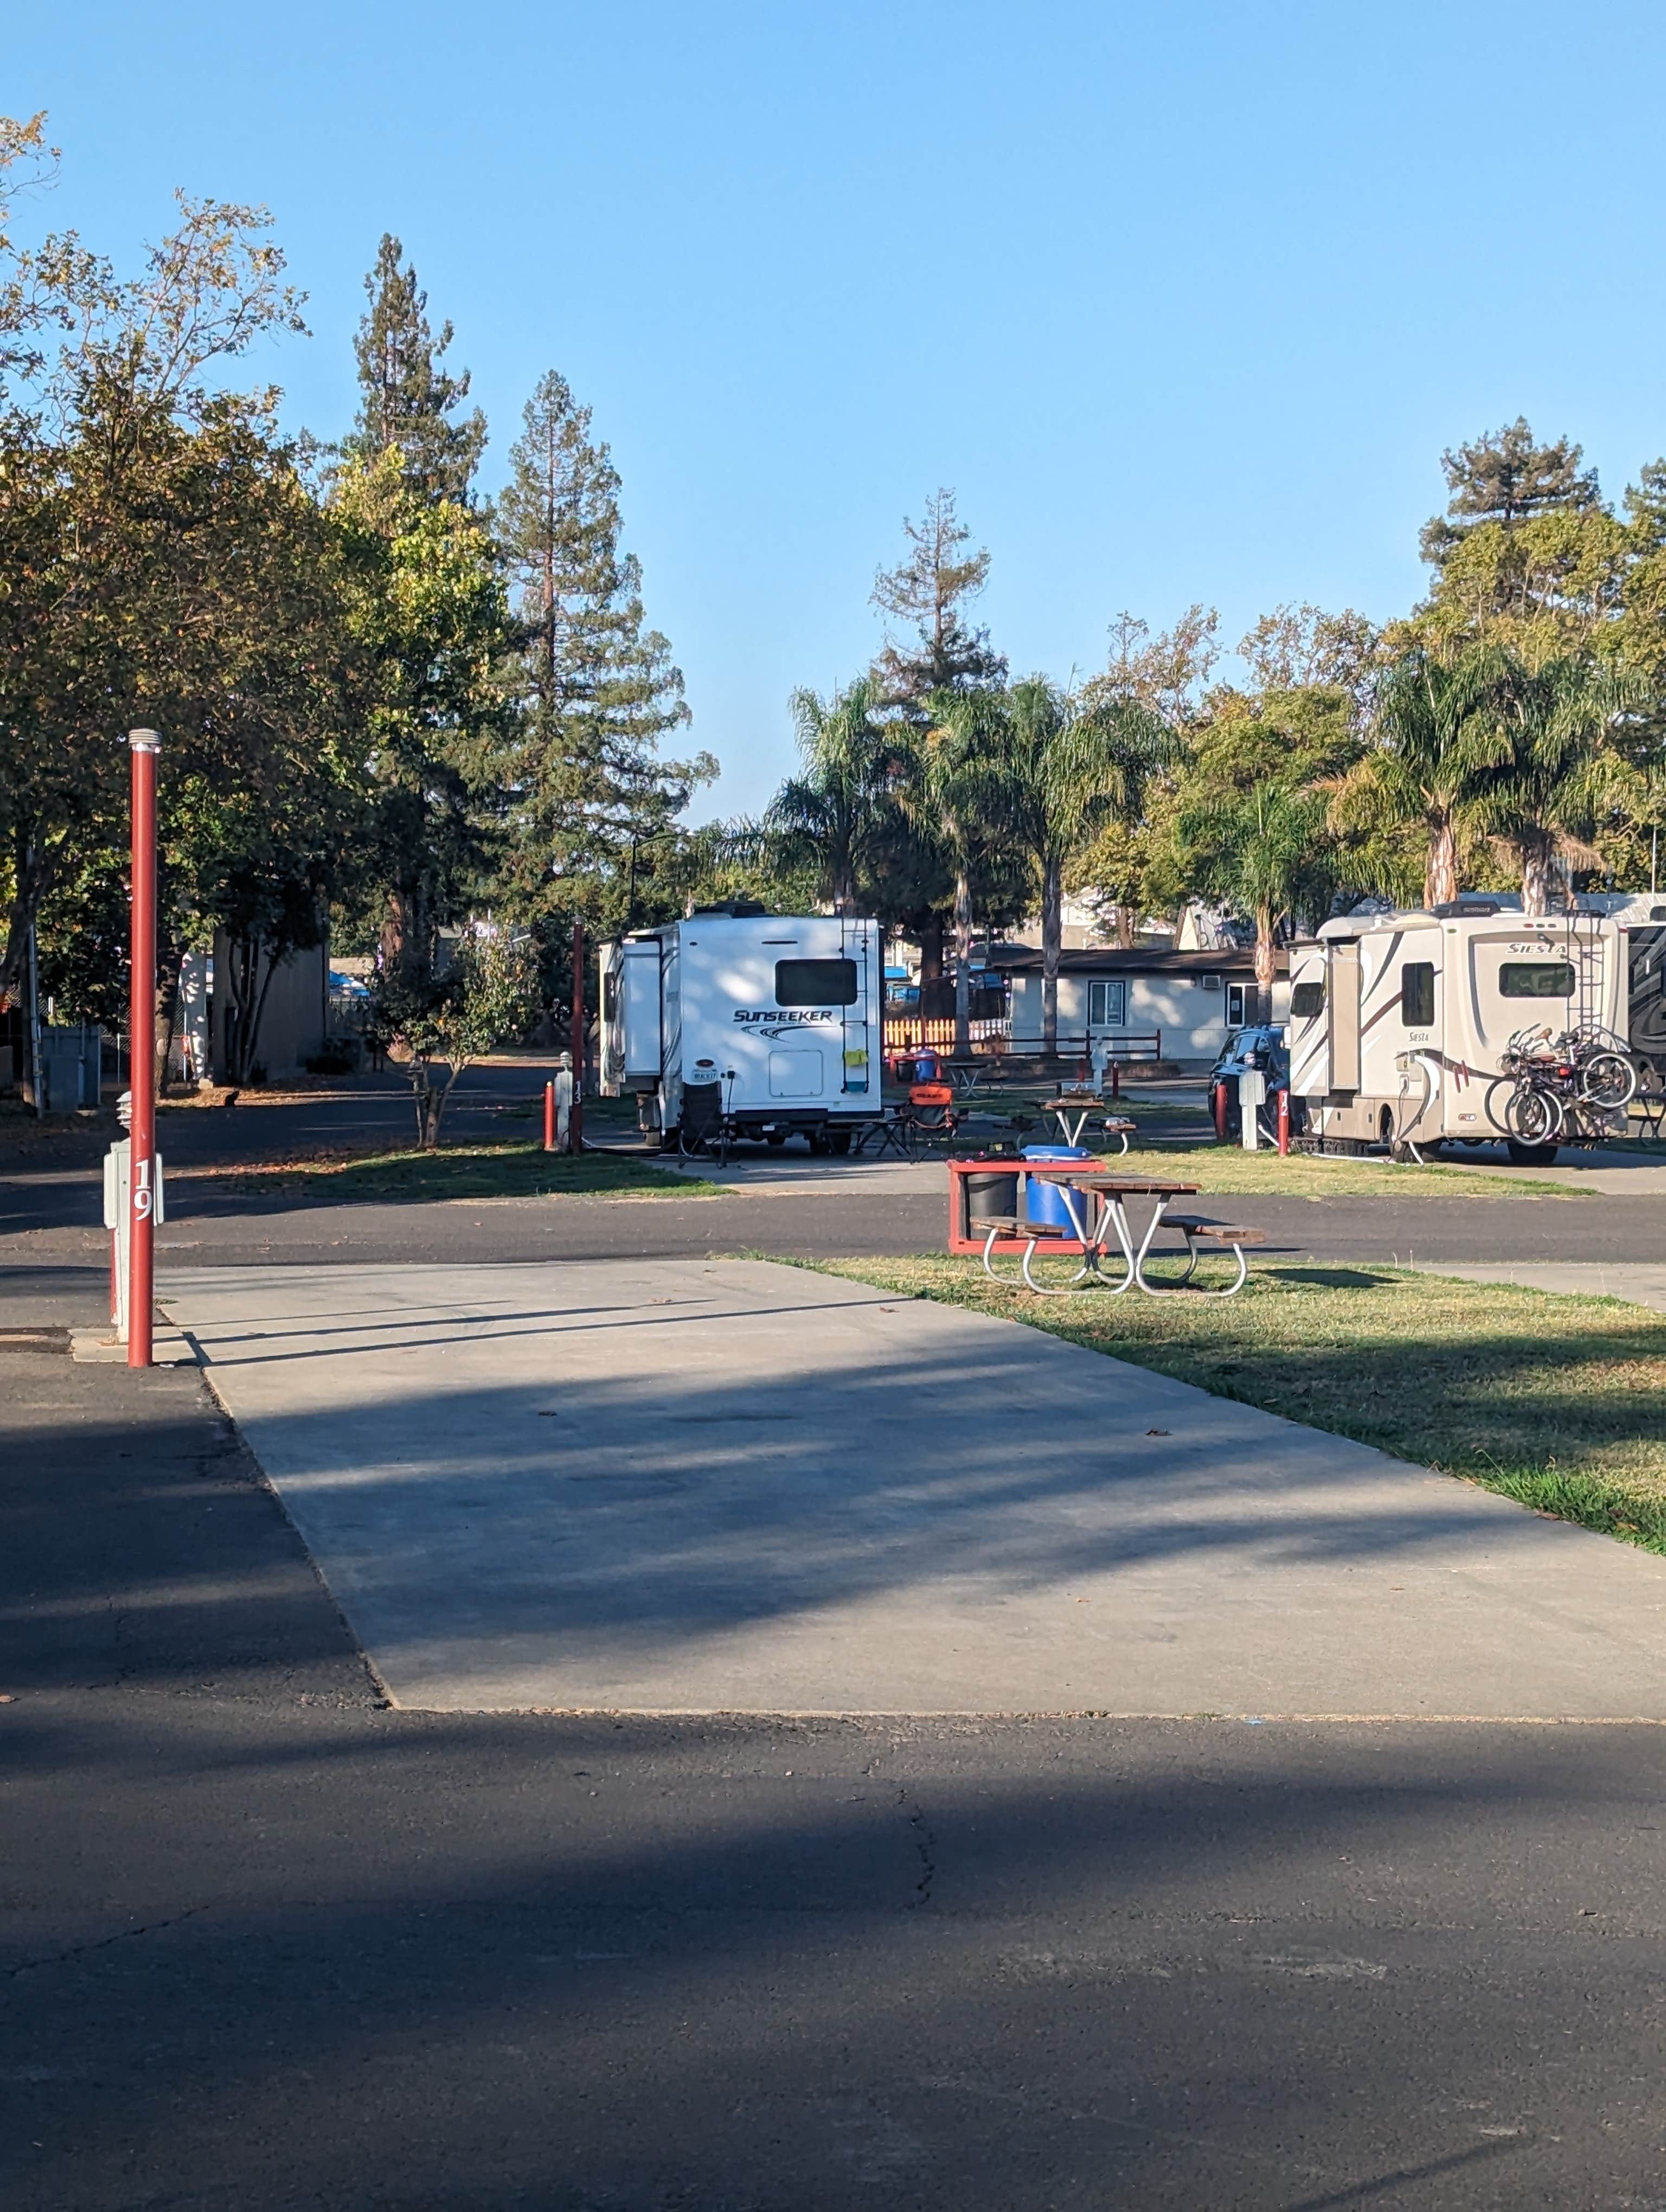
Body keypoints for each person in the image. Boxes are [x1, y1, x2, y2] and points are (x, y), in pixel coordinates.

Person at [553, 1050, 575, 1152]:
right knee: (564, 1123)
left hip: (564, 1108)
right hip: (565, 1107)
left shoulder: (565, 1077)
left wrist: (557, 1103)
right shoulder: (563, 1077)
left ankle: (565, 1143)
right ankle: (564, 1142)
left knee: (565, 1124)